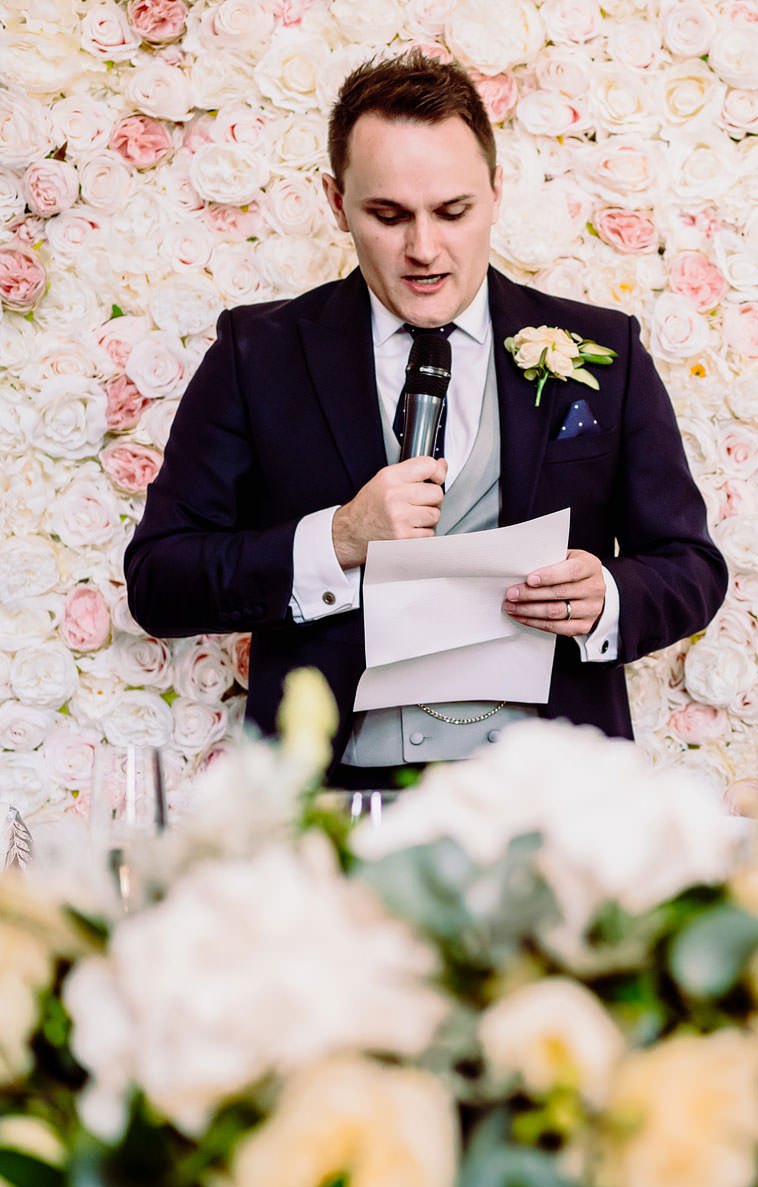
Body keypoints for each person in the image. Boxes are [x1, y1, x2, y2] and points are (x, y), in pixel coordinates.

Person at [125, 51, 726, 787]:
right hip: (331, 798)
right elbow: (159, 578)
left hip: (557, 797)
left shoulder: (607, 350)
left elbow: (691, 566)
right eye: (387, 214)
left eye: (452, 211)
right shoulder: (259, 353)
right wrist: (339, 537)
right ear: (334, 200)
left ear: (497, 192)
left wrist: (610, 596)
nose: (423, 249)